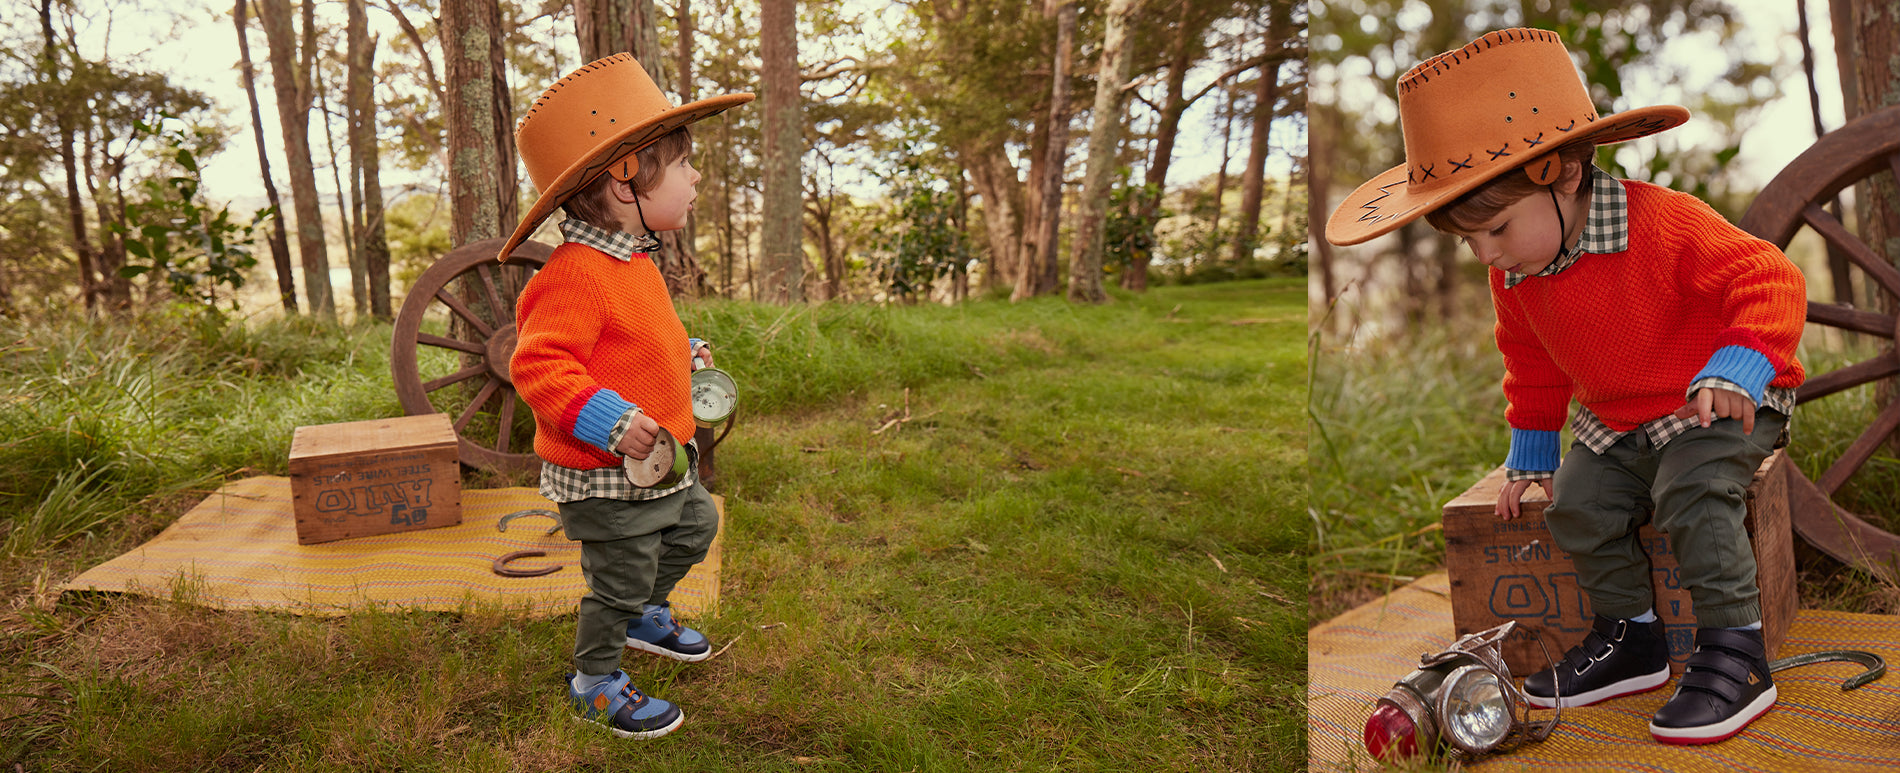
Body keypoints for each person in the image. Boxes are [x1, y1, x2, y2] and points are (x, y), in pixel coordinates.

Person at [1325, 28, 1805, 746]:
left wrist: (1739, 364)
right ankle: (1633, 639)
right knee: (1577, 503)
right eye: (1469, 241)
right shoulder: (1516, 272)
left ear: (1564, 173)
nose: (1486, 253)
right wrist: (1531, 450)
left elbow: (1768, 277)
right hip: (1620, 423)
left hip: (1718, 400)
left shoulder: (1664, 223)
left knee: (1693, 490)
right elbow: (1531, 358)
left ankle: (1737, 655)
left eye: (1496, 228)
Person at [502, 53, 752, 740]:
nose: (696, 175)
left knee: (697, 526)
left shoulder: (631, 261)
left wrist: (683, 351)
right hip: (606, 475)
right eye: (681, 164)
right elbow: (541, 365)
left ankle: (646, 612)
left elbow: (633, 339)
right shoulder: (575, 273)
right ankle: (595, 679)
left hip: (664, 461)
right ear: (626, 178)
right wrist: (611, 420)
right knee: (617, 575)